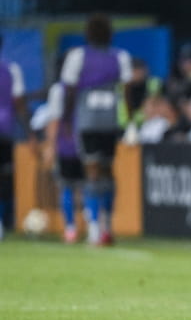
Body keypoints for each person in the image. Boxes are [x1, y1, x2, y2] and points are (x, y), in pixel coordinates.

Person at [60, 13, 131, 245]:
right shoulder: (121, 57)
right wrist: (127, 122)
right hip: (110, 121)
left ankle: (93, 227)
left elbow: (69, 92)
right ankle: (107, 225)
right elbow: (127, 93)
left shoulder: (78, 56)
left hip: (88, 121)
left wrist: (67, 120)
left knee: (92, 172)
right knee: (108, 172)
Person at [0, 34, 36, 240]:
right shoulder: (11, 70)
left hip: (4, 131)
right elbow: (20, 105)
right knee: (3, 178)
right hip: (4, 130)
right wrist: (30, 134)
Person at [42, 78, 84, 243]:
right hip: (81, 143)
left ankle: (71, 228)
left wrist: (50, 146)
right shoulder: (87, 85)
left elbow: (54, 120)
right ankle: (93, 227)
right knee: (85, 186)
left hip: (67, 145)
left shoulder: (59, 90)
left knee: (68, 186)